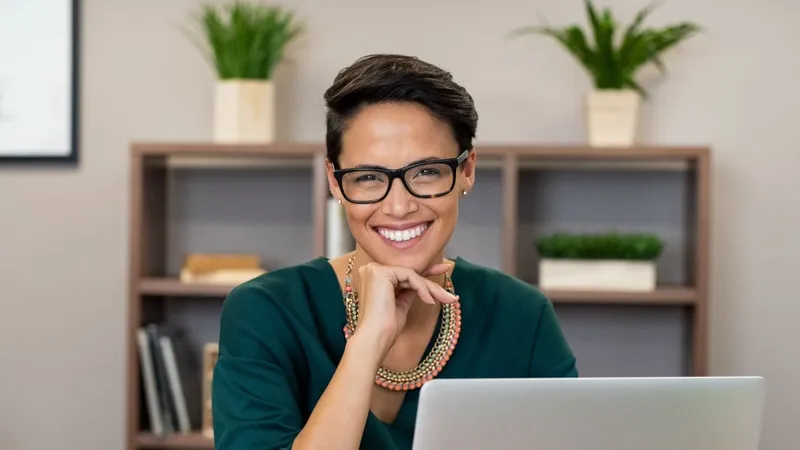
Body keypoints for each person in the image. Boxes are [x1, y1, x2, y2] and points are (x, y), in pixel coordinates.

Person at [211, 54, 578, 450]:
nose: (399, 207)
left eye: (426, 172)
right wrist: (368, 341)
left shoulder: (522, 315)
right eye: (368, 177)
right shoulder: (264, 312)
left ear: (466, 171)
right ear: (335, 183)